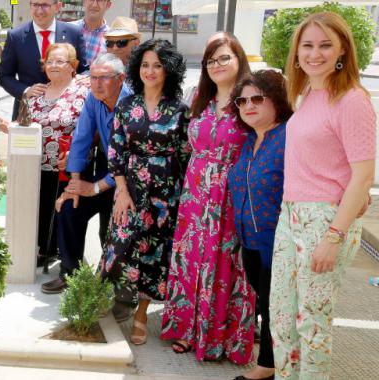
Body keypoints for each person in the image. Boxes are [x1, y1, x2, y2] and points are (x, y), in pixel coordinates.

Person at [271, 12, 375, 379]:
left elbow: (363, 176)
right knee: (282, 320)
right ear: (297, 51)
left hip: (324, 221)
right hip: (291, 215)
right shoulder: (308, 94)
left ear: (343, 49)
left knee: (312, 327)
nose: (315, 53)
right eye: (308, 45)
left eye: (326, 45)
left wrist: (334, 236)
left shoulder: (352, 99)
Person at [160, 32, 255, 364]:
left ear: (239, 59)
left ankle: (221, 337)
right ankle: (187, 329)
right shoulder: (198, 96)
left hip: (232, 193)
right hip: (195, 191)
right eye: (211, 60)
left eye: (224, 57)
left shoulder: (251, 98)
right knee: (192, 259)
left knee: (227, 262)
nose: (217, 65)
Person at [97, 39, 190, 346]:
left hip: (165, 193)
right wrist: (121, 190)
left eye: (158, 65)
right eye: (146, 64)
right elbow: (116, 152)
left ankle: (141, 314)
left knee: (154, 253)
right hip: (130, 189)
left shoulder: (179, 110)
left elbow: (185, 154)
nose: (151, 71)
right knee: (119, 247)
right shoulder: (127, 106)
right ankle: (100, 302)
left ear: (169, 70)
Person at [37, 53, 132, 294]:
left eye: (104, 78)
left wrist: (95, 187)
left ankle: (114, 282)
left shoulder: (134, 103)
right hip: (105, 164)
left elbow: (131, 160)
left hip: (131, 176)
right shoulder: (94, 98)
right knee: (69, 207)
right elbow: (81, 138)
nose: (97, 84)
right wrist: (75, 184)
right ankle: (70, 273)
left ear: (121, 79)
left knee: (111, 225)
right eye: (93, 78)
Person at [0, 43, 88, 274]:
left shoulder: (82, 92)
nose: (54, 65)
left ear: (73, 66)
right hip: (35, 164)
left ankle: (63, 258)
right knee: (41, 209)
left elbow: (89, 129)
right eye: (50, 61)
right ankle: (43, 250)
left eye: (60, 61)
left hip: (66, 167)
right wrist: (11, 127)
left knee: (63, 212)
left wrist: (76, 154)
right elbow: (25, 123)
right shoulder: (36, 94)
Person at [227, 71, 293, 380]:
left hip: (279, 241)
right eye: (242, 100)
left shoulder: (289, 136)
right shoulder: (251, 139)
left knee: (273, 305)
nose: (248, 106)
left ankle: (267, 366)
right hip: (249, 240)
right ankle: (276, 360)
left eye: (257, 98)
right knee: (266, 303)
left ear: (277, 100)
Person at [0, 0, 88, 120]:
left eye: (45, 5)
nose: (39, 10)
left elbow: (84, 70)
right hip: (27, 113)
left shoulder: (74, 33)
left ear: (57, 6)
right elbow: (4, 76)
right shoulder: (16, 37)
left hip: (67, 114)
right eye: (35, 5)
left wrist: (77, 84)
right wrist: (25, 91)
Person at [71, 0, 112, 64]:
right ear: (84, 2)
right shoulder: (68, 29)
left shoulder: (112, 38)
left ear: (108, 5)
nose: (94, 5)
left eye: (100, 0)